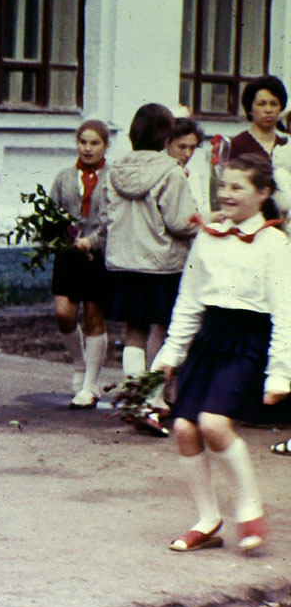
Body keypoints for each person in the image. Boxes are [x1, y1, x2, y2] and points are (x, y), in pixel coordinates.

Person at [152, 155, 290, 553]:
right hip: (210, 341)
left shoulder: (273, 242)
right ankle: (207, 520)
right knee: (183, 428)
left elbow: (286, 312)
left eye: (237, 187)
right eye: (223, 186)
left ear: (263, 193)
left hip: (248, 343)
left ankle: (250, 510)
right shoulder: (207, 236)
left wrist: (280, 373)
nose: (226, 195)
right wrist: (171, 353)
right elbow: (189, 301)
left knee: (213, 424)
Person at [102, 103, 199, 436]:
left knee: (134, 331)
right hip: (161, 264)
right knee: (164, 329)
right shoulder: (171, 171)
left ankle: (136, 399)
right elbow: (179, 222)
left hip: (123, 263)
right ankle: (155, 399)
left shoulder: (114, 170)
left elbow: (105, 218)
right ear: (164, 135)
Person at [49, 120, 111, 409]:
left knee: (93, 318)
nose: (87, 148)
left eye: (94, 143)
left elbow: (114, 218)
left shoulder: (113, 178)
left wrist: (93, 240)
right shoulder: (64, 177)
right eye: (83, 142)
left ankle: (90, 385)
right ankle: (79, 363)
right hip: (68, 254)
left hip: (99, 256)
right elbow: (51, 211)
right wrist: (53, 232)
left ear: (105, 146)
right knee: (64, 314)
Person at [166, 116, 209, 212]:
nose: (188, 154)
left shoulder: (194, 177)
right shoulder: (159, 177)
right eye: (182, 147)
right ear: (167, 143)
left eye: (192, 148)